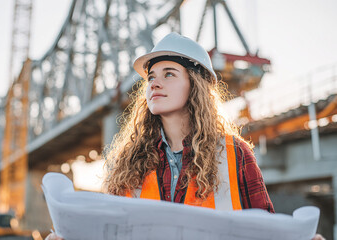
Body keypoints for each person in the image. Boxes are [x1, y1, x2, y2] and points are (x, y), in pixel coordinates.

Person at [46, 32, 324, 240]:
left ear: (196, 86)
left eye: (169, 74)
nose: (155, 82)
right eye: (151, 77)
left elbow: (267, 231)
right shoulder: (128, 163)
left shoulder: (235, 154)